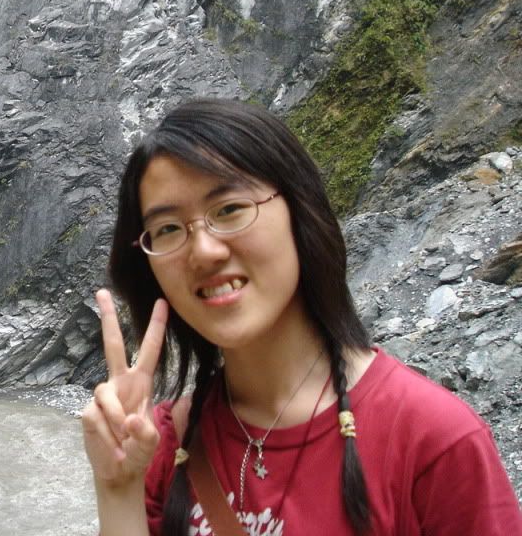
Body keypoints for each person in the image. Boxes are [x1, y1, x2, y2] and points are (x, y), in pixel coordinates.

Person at [81, 98, 522, 535]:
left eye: (229, 209)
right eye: (168, 229)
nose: (205, 252)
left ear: (299, 211)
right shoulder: (160, 444)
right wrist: (117, 487)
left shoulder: (434, 441)